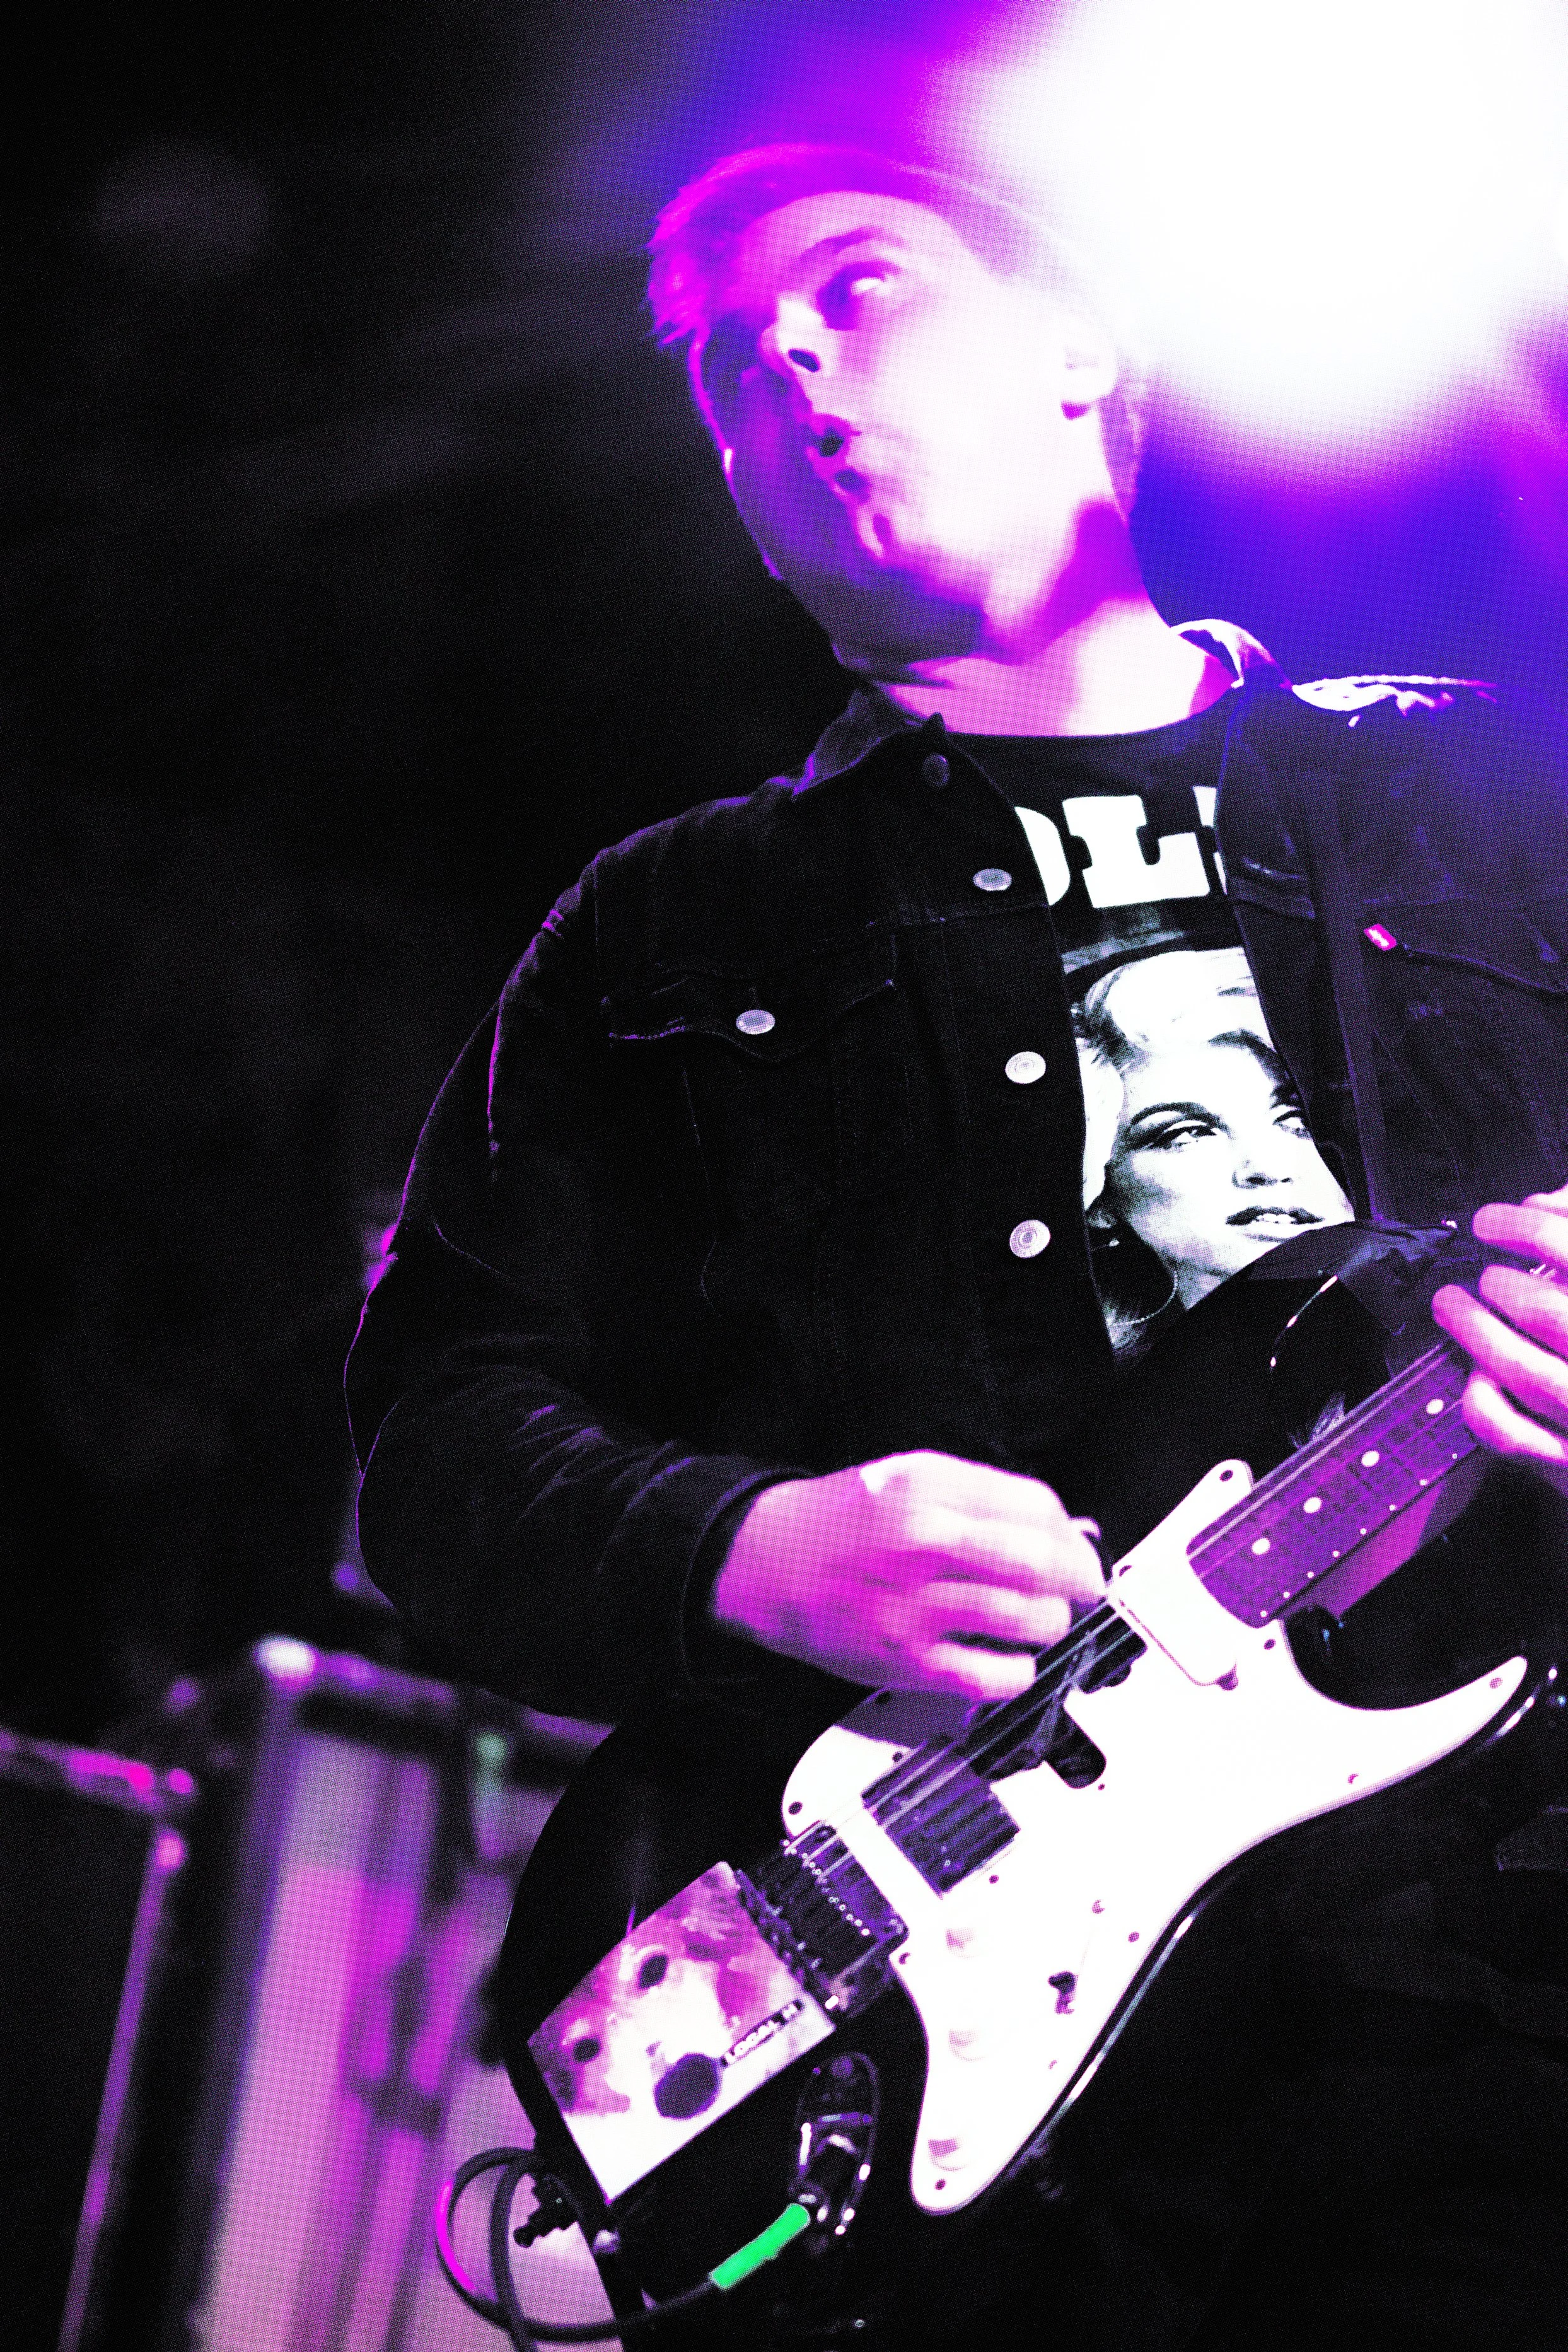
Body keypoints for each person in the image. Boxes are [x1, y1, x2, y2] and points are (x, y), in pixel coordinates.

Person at [346, 143, 1568, 2349]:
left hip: (1469, 1998)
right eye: (725, 361)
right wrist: (746, 1550)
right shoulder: (667, 927)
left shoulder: (1488, 805)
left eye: (858, 288)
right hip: (905, 2028)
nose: (783, 365)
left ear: (1081, 347)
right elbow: (432, 1449)